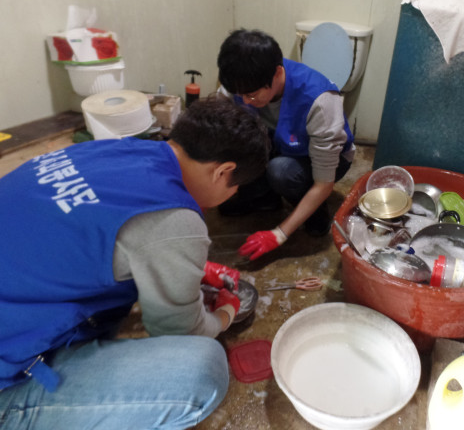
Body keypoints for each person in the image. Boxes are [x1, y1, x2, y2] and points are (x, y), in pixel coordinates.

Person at [0, 96, 269, 429]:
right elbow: (181, 332)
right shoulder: (175, 220)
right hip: (7, 373)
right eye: (237, 186)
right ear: (223, 171)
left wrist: (188, 267)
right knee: (203, 368)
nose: (234, 193)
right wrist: (226, 312)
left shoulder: (114, 150)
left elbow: (89, 236)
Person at [216, 28, 355, 261]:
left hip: (326, 160)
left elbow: (324, 183)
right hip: (280, 141)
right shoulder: (242, 84)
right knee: (231, 145)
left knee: (280, 171)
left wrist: (279, 234)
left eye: (252, 95)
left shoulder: (319, 101)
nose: (246, 101)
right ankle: (266, 199)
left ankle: (315, 211)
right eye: (241, 95)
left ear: (278, 73)